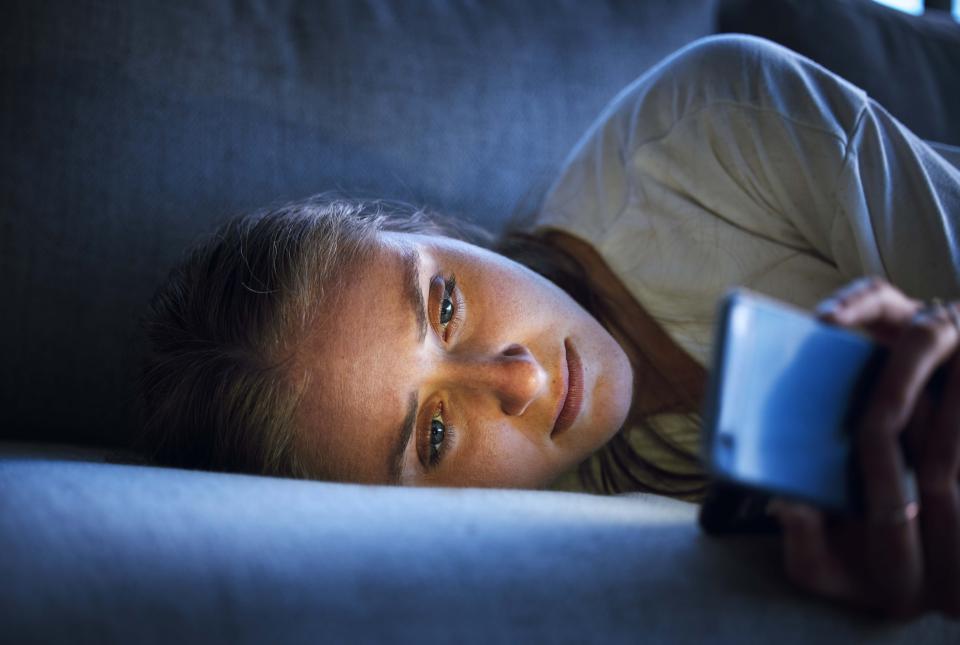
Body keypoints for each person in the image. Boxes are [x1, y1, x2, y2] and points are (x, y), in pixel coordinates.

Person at [137, 35, 959, 617]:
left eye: (445, 303)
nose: (521, 378)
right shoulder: (556, 556)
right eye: (432, 438)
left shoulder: (710, 127)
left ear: (442, 231)